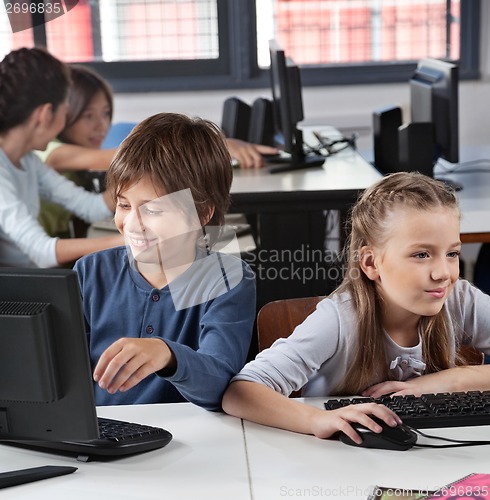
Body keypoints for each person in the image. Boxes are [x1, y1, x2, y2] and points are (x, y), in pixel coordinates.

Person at [222, 171, 490, 444]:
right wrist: (317, 419)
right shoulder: (340, 319)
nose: (443, 273)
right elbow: (241, 392)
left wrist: (453, 381)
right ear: (371, 264)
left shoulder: (458, 299)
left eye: (452, 254)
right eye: (421, 255)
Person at [73, 112, 256, 411]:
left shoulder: (227, 278)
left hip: (188, 443)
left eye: (153, 211)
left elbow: (218, 385)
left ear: (202, 213)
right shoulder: (90, 273)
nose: (132, 223)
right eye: (123, 205)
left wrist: (167, 355)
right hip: (102, 438)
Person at [0, 47, 123, 268]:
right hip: (16, 294)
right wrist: (125, 241)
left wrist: (137, 189)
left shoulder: (28, 161)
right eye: (65, 113)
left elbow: (90, 207)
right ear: (46, 114)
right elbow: (42, 251)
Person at [40, 65, 277, 173]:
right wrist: (214, 145)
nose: (101, 125)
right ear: (64, 114)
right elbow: (135, 154)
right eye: (87, 116)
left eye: (105, 113)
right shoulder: (49, 150)